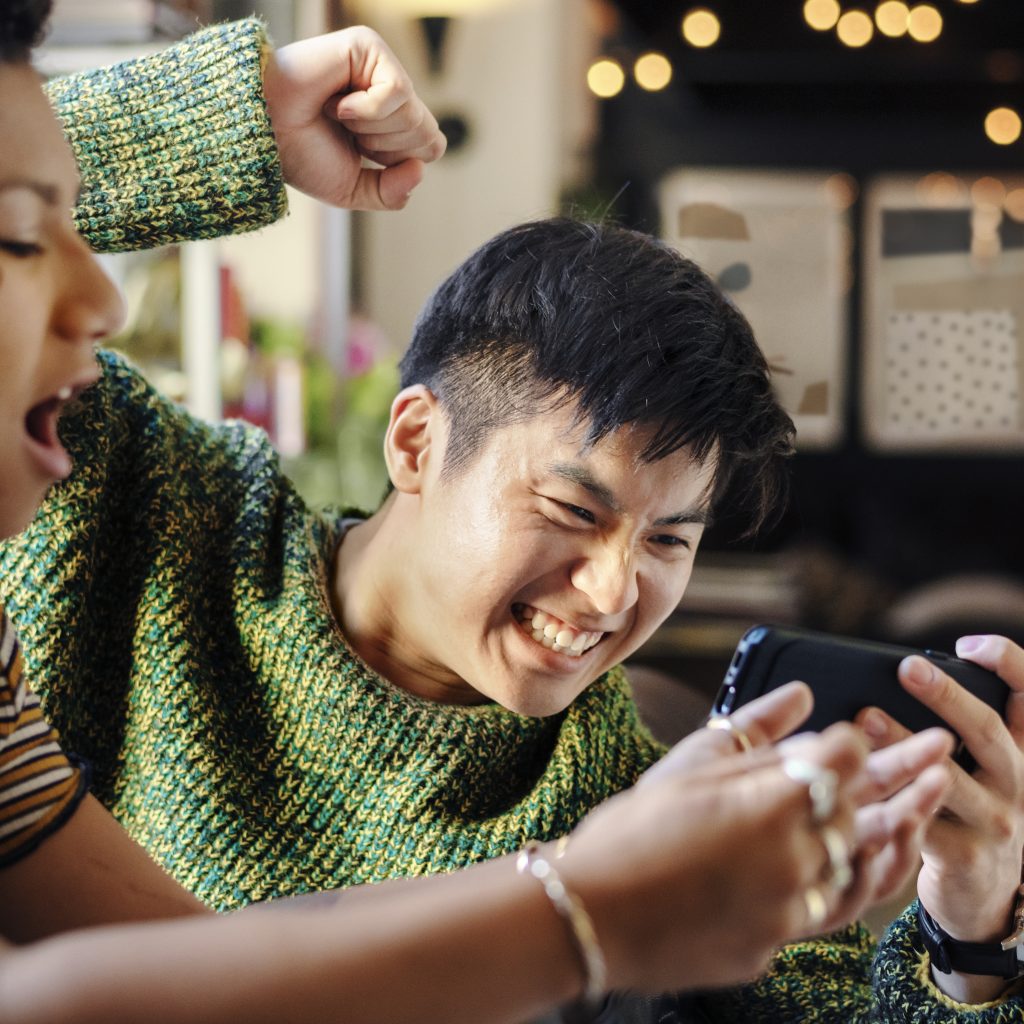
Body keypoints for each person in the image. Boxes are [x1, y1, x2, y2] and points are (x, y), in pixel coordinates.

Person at [0, 3, 1018, 1021]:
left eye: (669, 538)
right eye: (574, 508)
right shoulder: (144, 501)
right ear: (414, 441)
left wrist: (970, 936)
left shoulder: (655, 810)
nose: (616, 589)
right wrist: (236, 117)